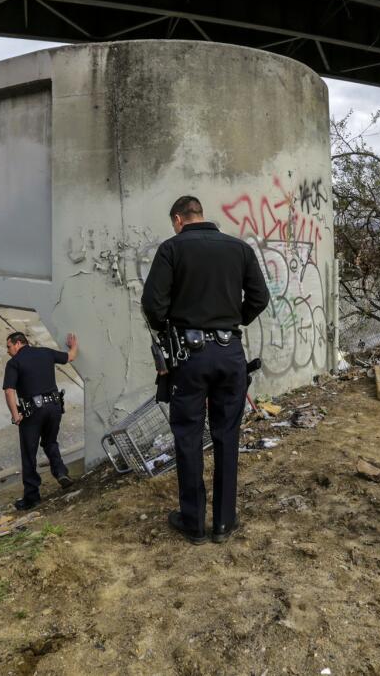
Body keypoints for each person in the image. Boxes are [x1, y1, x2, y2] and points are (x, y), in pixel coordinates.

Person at [141, 195, 270, 544]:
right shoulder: (239, 249)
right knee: (227, 435)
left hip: (189, 357)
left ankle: (193, 522)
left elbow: (152, 305)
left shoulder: (172, 248)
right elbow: (260, 298)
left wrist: (170, 328)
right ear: (202, 214)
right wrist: (231, 322)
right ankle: (224, 522)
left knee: (188, 436)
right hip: (231, 355)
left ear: (179, 219)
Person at [2, 330, 78, 510]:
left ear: (18, 343)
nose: (8, 350)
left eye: (9, 346)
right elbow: (71, 357)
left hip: (33, 411)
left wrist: (15, 415)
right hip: (54, 406)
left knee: (29, 453)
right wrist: (73, 345)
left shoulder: (14, 363)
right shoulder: (46, 352)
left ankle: (32, 497)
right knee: (50, 441)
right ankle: (60, 473)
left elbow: (9, 391)